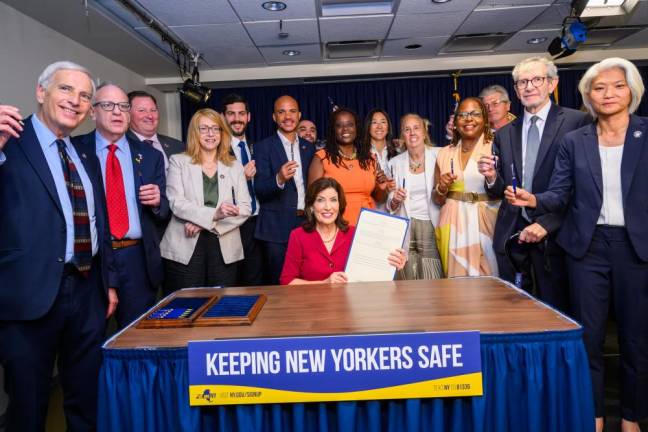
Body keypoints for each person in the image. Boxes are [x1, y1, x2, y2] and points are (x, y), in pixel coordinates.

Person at [505, 57, 647, 432]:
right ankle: (594, 417)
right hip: (587, 248)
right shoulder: (576, 139)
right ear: (588, 95)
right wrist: (533, 201)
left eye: (617, 85)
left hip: (638, 250)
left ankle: (632, 419)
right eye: (599, 88)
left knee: (636, 340)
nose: (608, 94)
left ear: (632, 90)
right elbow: (560, 193)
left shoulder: (646, 134)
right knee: (588, 338)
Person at [0, 62, 117, 431]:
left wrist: (107, 281)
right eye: (66, 89)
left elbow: (100, 223)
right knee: (28, 404)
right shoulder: (10, 144)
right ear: (41, 92)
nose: (76, 101)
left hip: (86, 289)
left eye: (84, 96)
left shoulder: (83, 152)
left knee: (86, 397)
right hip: (29, 293)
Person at [478, 56, 590, 312]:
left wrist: (547, 223)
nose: (529, 87)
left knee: (557, 311)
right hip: (512, 235)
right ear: (516, 90)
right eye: (522, 82)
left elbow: (583, 187)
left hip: (556, 234)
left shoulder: (576, 123)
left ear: (552, 84)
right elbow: (499, 191)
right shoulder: (505, 133)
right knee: (517, 312)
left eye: (536, 79)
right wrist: (492, 177)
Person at [75, 83, 169, 329]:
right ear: (93, 112)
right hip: (93, 258)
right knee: (90, 335)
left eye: (123, 107)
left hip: (136, 257)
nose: (117, 112)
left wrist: (159, 202)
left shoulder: (150, 156)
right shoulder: (75, 150)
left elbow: (164, 212)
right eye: (108, 105)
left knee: (139, 335)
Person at [161, 108, 251, 292]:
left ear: (222, 133)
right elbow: (176, 202)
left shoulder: (234, 166)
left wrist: (206, 223)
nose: (210, 134)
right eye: (203, 129)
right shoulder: (178, 161)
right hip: (185, 246)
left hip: (224, 246)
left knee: (221, 305)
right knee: (186, 307)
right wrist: (213, 214)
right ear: (195, 132)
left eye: (215, 128)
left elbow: (245, 208)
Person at [280, 177, 406, 284]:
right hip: (311, 306)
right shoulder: (298, 235)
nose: (328, 207)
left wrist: (396, 261)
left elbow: (377, 264)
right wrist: (325, 283)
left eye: (333, 200)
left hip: (350, 306)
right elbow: (287, 281)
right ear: (311, 207)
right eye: (320, 200)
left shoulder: (355, 233)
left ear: (340, 205)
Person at [434, 97, 500, 277]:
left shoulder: (496, 147)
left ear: (485, 119)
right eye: (462, 115)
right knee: (456, 282)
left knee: (489, 278)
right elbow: (437, 199)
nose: (469, 119)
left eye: (475, 114)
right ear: (455, 122)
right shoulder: (444, 153)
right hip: (453, 225)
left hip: (485, 223)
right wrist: (442, 188)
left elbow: (505, 189)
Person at [254, 95, 315, 285]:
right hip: (275, 229)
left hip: (306, 224)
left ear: (299, 115)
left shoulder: (309, 147)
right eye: (281, 112)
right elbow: (260, 190)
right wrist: (278, 178)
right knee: (279, 283)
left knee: (306, 280)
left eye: (292, 111)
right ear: (274, 117)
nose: (287, 116)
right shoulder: (263, 147)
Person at [308, 108, 388, 225]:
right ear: (333, 130)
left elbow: (380, 199)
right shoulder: (322, 158)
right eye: (339, 125)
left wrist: (381, 187)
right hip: (333, 225)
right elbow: (311, 199)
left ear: (356, 128)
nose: (345, 129)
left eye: (350, 124)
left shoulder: (369, 159)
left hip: (366, 225)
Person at [387, 114, 443, 279]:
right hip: (406, 227)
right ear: (402, 136)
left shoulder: (439, 155)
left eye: (416, 128)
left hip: (432, 224)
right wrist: (395, 199)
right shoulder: (394, 163)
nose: (412, 133)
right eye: (407, 129)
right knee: (406, 275)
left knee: (432, 274)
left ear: (424, 132)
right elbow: (390, 205)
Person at [222, 93, 264, 286]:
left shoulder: (258, 147)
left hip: (257, 222)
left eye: (241, 113)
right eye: (231, 114)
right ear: (223, 117)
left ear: (249, 117)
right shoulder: (217, 149)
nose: (236, 119)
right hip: (231, 223)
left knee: (256, 279)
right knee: (233, 280)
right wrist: (242, 177)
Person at [127, 90, 185, 173]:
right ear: (128, 115)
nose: (150, 116)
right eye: (141, 110)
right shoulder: (122, 148)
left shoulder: (178, 146)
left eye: (153, 110)